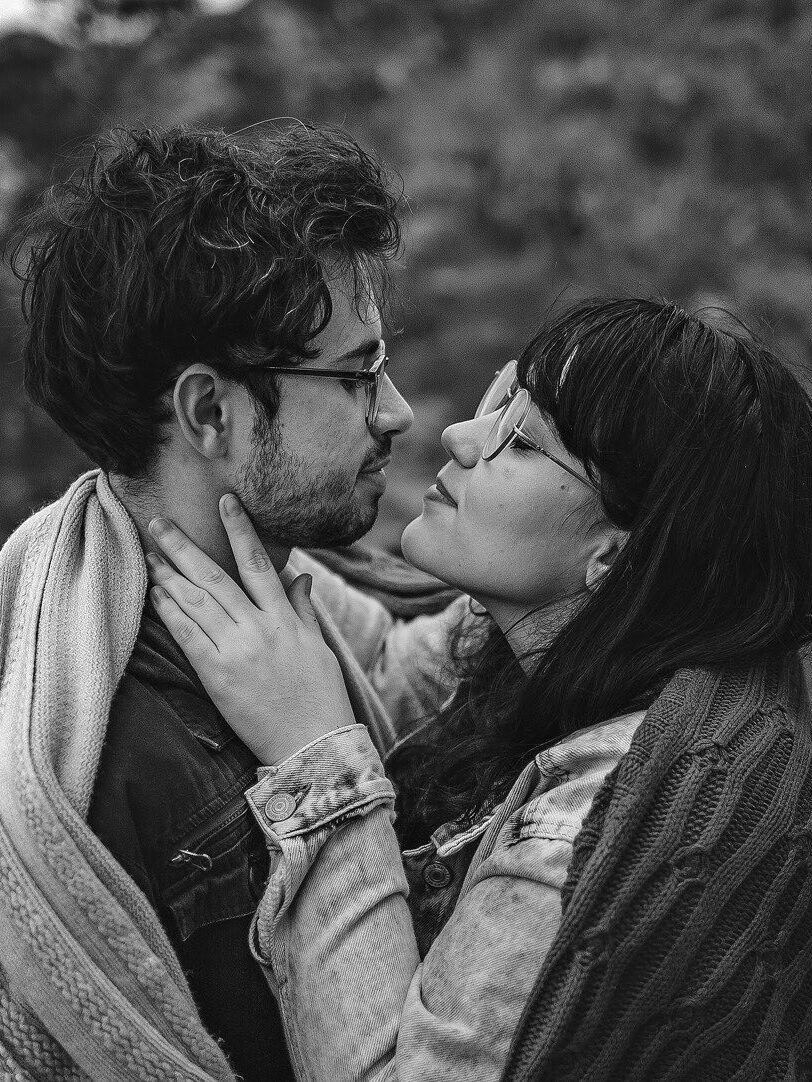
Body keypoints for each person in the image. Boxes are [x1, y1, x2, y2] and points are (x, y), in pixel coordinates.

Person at [147, 298, 812, 1080]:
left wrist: (315, 754)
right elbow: (365, 648)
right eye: (501, 400)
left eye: (522, 441)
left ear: (618, 556)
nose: (462, 436)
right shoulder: (539, 653)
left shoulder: (595, 819)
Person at [0, 122, 463, 1081]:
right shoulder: (153, 769)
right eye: (355, 374)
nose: (396, 412)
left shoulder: (299, 606)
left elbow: (394, 668)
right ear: (211, 412)